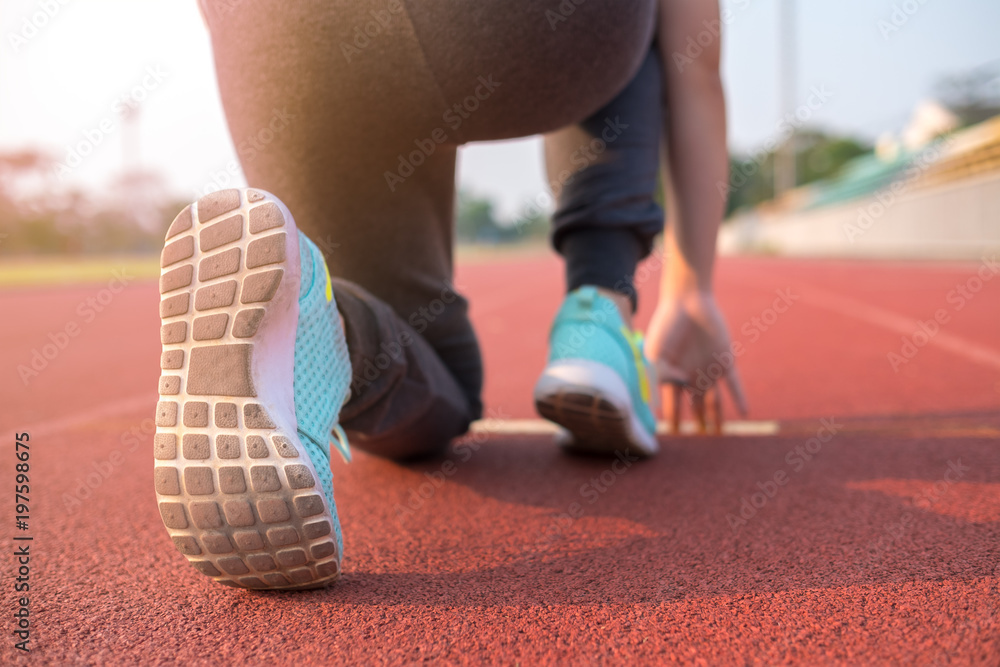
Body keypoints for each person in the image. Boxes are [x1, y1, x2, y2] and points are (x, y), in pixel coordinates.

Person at [152, 0, 746, 590]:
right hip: (526, 29)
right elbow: (696, 66)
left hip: (288, 38)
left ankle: (322, 333)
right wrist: (694, 289)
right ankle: (598, 318)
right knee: (653, 22)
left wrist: (269, 53)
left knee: (419, 365)